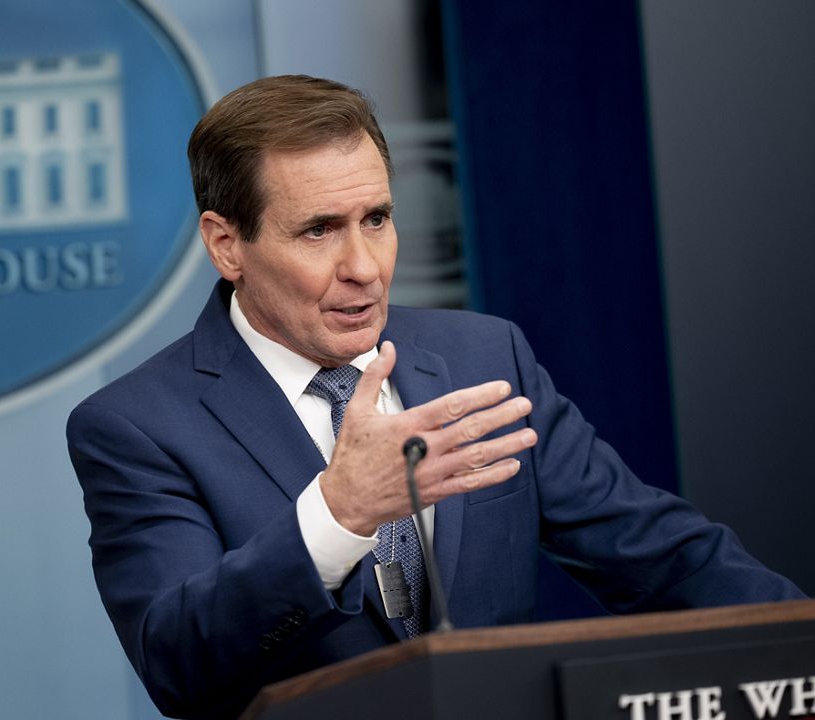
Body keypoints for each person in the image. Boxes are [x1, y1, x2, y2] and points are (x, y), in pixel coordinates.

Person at [65, 75, 804, 720]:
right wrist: (339, 514)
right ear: (228, 245)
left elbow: (660, 557)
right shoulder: (137, 425)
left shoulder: (484, 357)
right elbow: (178, 662)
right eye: (320, 230)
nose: (364, 266)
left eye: (376, 220)